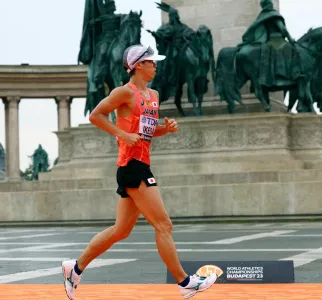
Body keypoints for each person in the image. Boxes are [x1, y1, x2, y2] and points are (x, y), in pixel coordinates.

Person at [61, 44, 218, 299]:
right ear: (138, 65)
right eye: (151, 62)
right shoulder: (124, 92)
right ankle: (185, 283)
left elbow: (146, 129)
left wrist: (164, 129)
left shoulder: (153, 94)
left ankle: (75, 268)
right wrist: (122, 134)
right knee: (164, 224)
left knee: (120, 231)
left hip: (140, 164)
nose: (155, 65)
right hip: (131, 166)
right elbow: (96, 115)